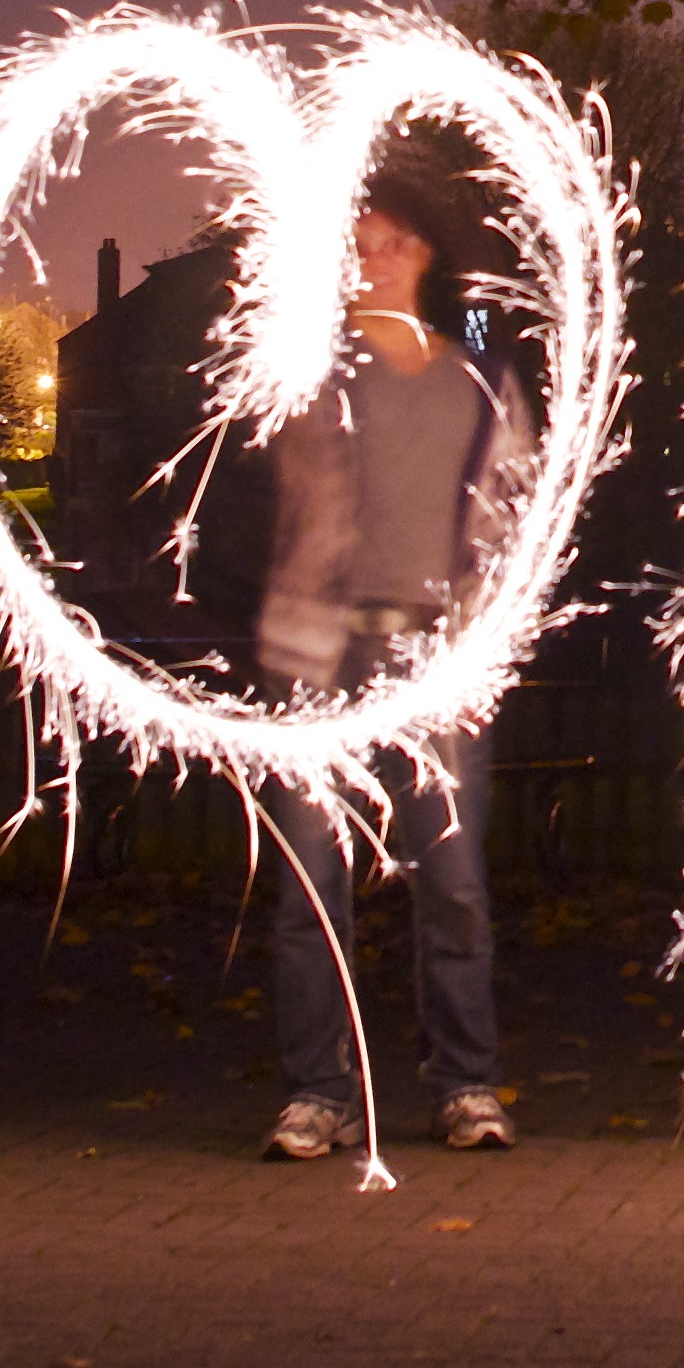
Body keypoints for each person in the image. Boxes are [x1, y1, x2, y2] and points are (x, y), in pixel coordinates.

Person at [254, 172, 533, 1163]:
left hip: (436, 656)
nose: (367, 259)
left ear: (421, 255)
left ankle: (463, 1083)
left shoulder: (478, 382)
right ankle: (318, 1091)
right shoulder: (306, 380)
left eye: (386, 243)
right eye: (354, 245)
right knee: (309, 887)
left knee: (452, 880)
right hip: (320, 660)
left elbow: (512, 524)